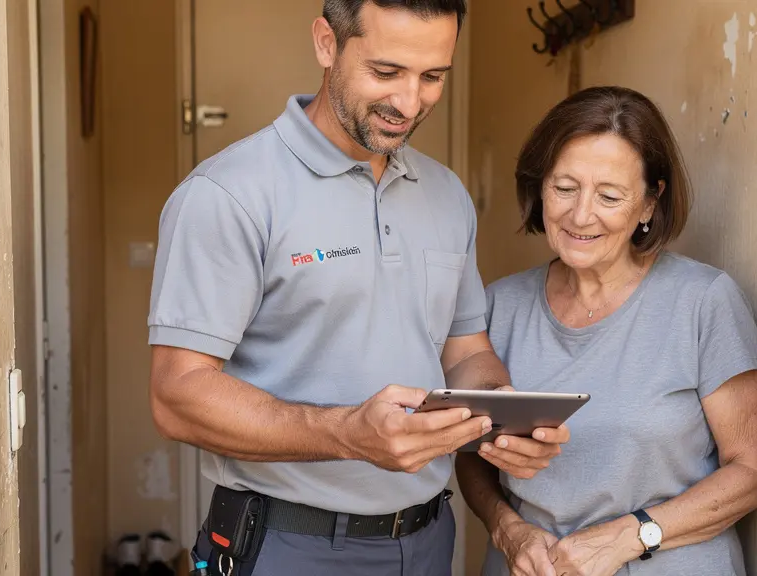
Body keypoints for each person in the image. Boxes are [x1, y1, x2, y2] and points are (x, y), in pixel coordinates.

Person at [146, 2, 567, 574]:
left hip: (427, 538)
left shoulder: (446, 195)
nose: (410, 103)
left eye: (433, 77)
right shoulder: (228, 194)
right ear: (326, 43)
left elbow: (466, 352)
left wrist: (504, 420)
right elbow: (177, 397)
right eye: (386, 72)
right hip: (286, 544)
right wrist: (346, 433)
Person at [456, 86, 757, 576]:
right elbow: (473, 453)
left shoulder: (703, 301)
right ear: (539, 186)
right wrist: (506, 527)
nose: (581, 214)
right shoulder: (499, 305)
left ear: (650, 203)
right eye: (565, 188)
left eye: (609, 196)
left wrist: (630, 536)